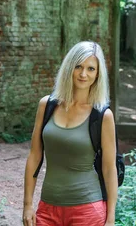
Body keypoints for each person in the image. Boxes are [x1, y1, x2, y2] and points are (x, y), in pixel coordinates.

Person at [22, 41, 118, 226]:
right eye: (78, 66)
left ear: (98, 74)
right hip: (47, 209)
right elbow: (34, 156)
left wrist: (111, 218)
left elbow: (109, 168)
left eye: (91, 69)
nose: (83, 74)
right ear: (69, 68)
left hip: (87, 210)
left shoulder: (102, 115)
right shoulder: (47, 105)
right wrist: (27, 205)